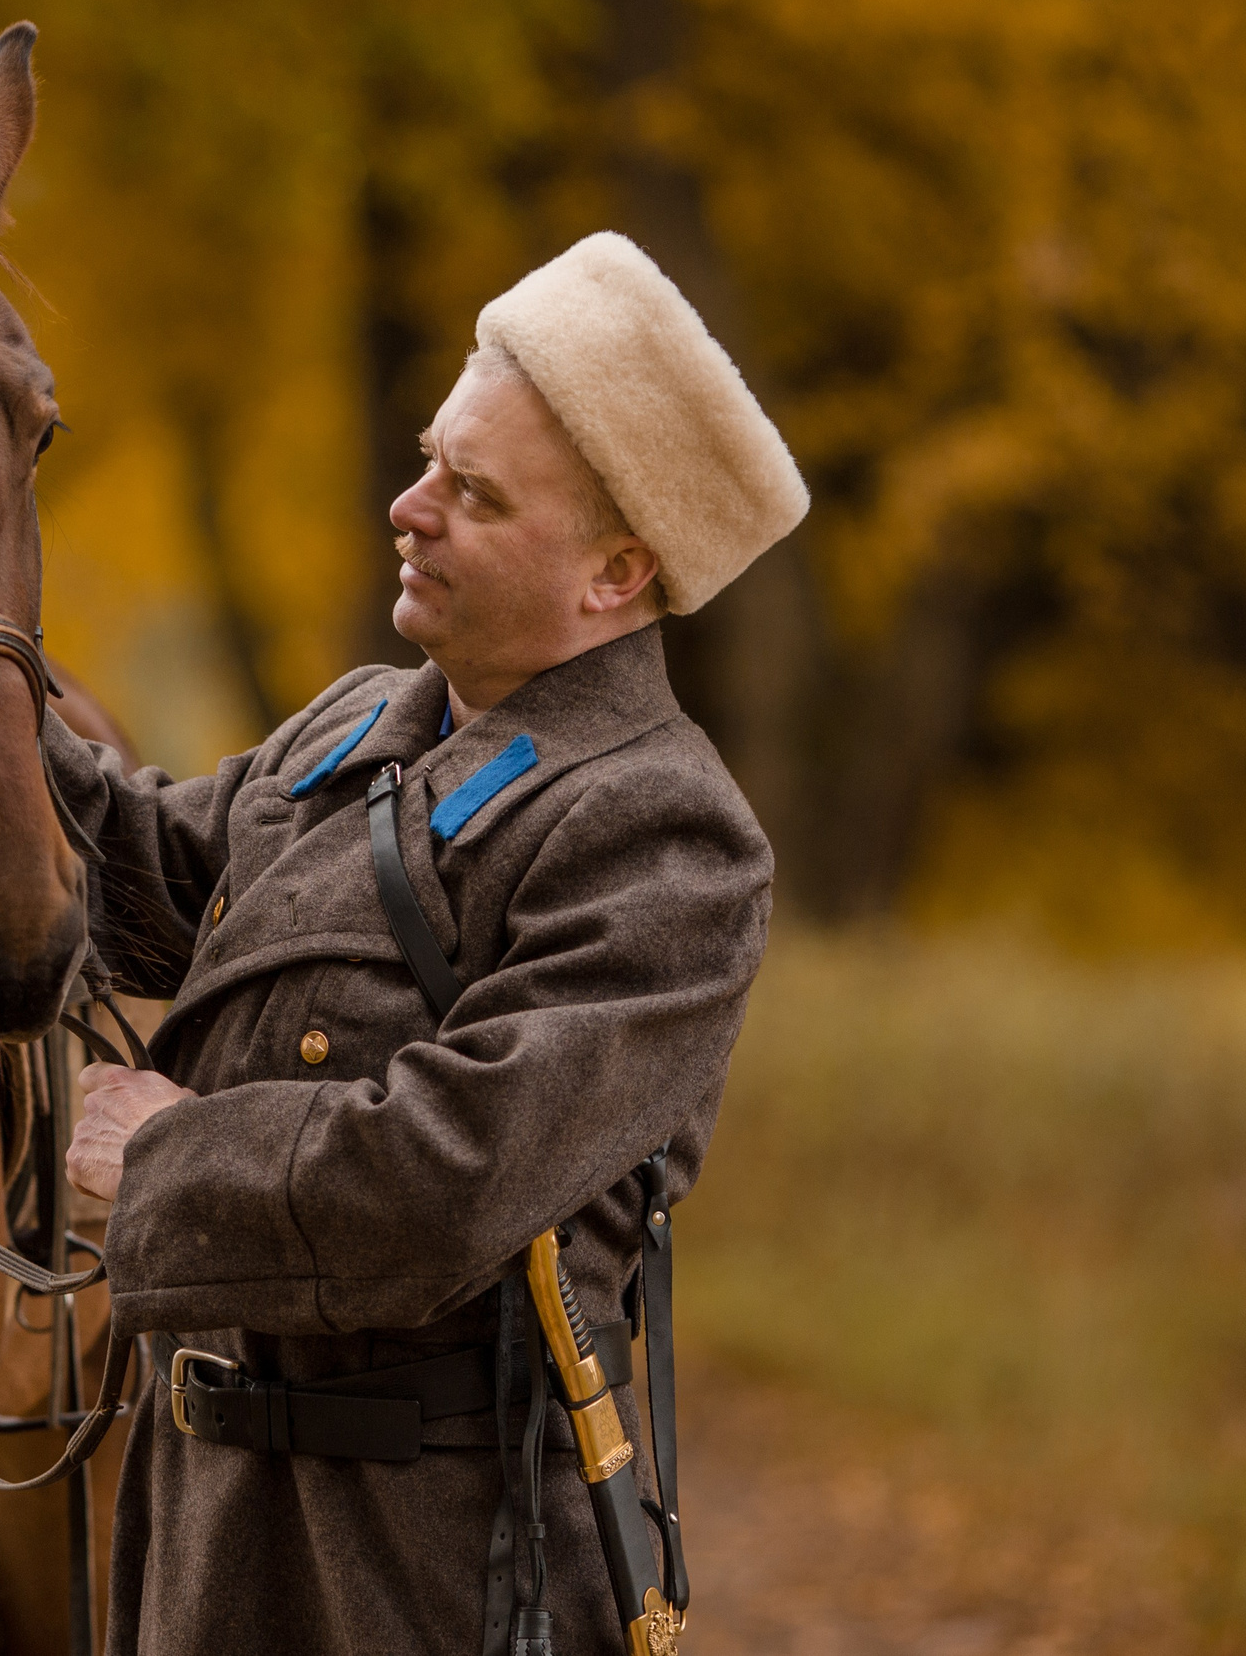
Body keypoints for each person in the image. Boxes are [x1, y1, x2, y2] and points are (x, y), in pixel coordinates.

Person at [50, 231, 807, 1654]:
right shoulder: (358, 726)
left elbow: (448, 1180)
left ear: (616, 570)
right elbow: (133, 870)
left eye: (473, 492)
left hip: (440, 1573)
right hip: (209, 1531)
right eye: (427, 461)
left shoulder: (664, 837)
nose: (409, 508)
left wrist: (161, 1155)